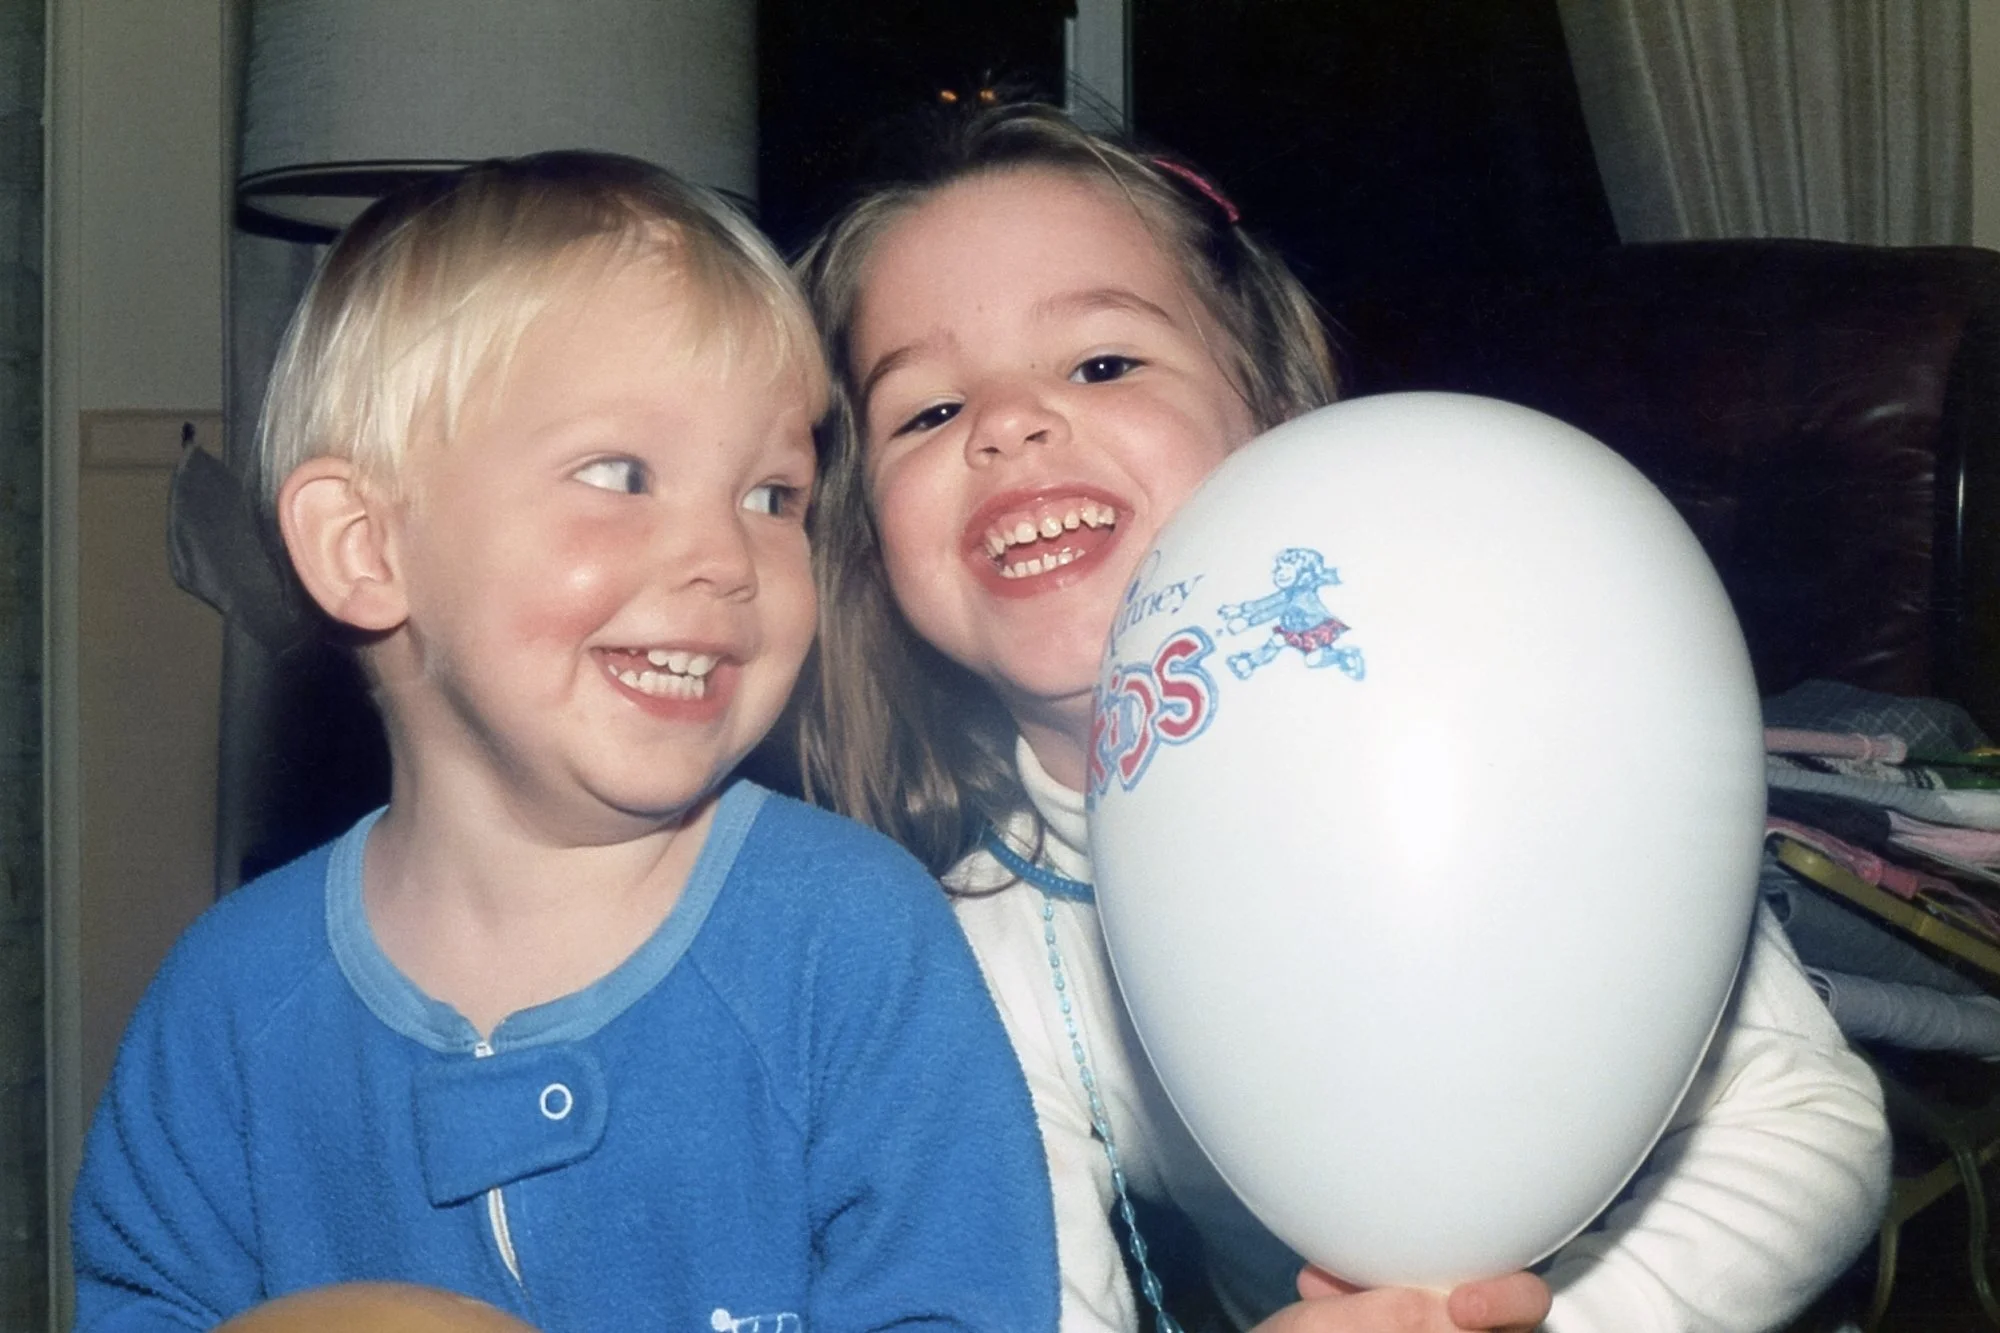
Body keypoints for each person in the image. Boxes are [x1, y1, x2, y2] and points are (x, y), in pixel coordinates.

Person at [794, 102, 1891, 1333]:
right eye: (926, 412)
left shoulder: (1503, 737)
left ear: (1271, 423)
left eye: (1101, 362)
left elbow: (1804, 1120)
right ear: (865, 536)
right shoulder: (969, 952)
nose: (1006, 422)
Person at [70, 151, 1058, 1332]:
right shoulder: (227, 1008)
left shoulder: (849, 940)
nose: (723, 557)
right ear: (364, 548)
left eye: (771, 496)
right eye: (620, 473)